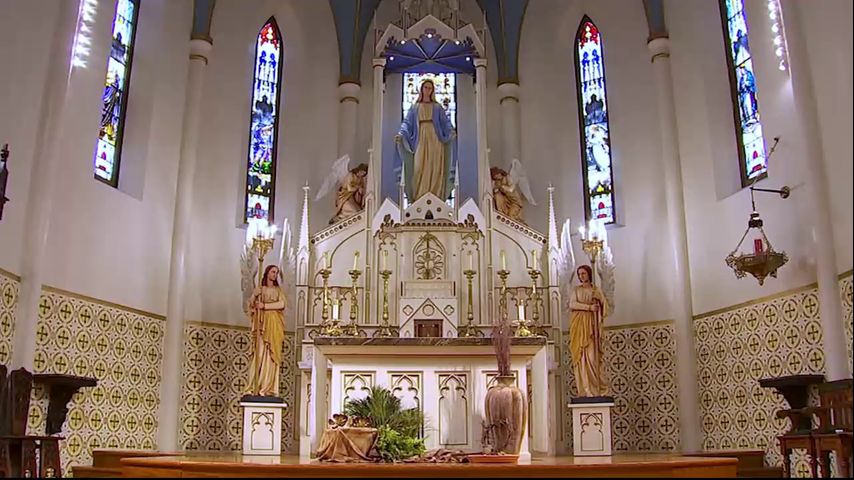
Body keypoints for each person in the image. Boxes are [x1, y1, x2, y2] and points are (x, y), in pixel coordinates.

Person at [395, 79, 456, 202]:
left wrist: (451, 131)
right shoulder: (415, 107)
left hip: (435, 138)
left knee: (435, 166)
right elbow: (407, 123)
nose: (428, 90)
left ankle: (436, 197)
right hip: (421, 138)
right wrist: (401, 134)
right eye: (425, 87)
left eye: (430, 88)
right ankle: (419, 197)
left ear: (433, 91)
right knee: (418, 167)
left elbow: (445, 122)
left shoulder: (437, 107)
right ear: (421, 89)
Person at [569, 264, 610, 397]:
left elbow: (605, 307)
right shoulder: (576, 290)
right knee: (582, 359)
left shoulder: (595, 290)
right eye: (579, 274)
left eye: (583, 273)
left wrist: (599, 300)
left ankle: (598, 390)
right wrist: (589, 308)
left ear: (589, 274)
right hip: (579, 326)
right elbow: (572, 304)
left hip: (591, 328)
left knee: (592, 358)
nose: (581, 276)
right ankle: (586, 389)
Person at [246, 264, 286, 397]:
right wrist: (254, 295)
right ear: (267, 273)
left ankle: (268, 387)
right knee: (259, 353)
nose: (275, 275)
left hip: (274, 323)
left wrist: (265, 306)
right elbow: (251, 305)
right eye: (273, 272)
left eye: (276, 273)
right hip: (262, 324)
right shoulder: (260, 289)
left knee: (271, 355)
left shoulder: (278, 290)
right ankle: (254, 386)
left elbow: (282, 304)